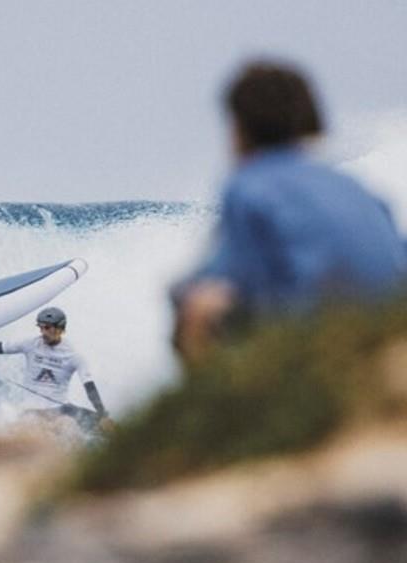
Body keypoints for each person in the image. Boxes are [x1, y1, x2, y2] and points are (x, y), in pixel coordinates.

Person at [172, 60, 406, 363]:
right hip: (391, 330)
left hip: (321, 341)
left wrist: (178, 294)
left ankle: (215, 405)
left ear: (240, 129)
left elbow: (231, 277)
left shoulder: (249, 187)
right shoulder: (351, 185)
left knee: (199, 306)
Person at [0, 307, 110, 430]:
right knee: (62, 427)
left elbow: (89, 387)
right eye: (41, 327)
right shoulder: (30, 344)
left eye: (47, 328)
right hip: (32, 409)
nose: (42, 332)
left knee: (109, 426)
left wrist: (102, 414)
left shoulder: (74, 355)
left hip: (60, 408)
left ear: (60, 329)